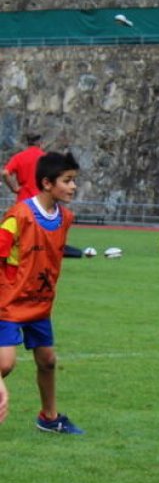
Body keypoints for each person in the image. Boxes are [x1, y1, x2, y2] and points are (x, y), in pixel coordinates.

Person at [0, 152, 83, 434]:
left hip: (40, 305)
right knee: (5, 365)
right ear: (47, 183)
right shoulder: (19, 216)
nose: (73, 187)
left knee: (47, 360)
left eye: (74, 181)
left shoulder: (65, 218)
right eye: (67, 181)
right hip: (9, 303)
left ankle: (49, 417)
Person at [4, 133, 45, 203]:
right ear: (40, 143)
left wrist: (14, 188)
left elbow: (5, 173)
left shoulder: (18, 157)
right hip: (41, 200)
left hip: (24, 200)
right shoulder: (46, 158)